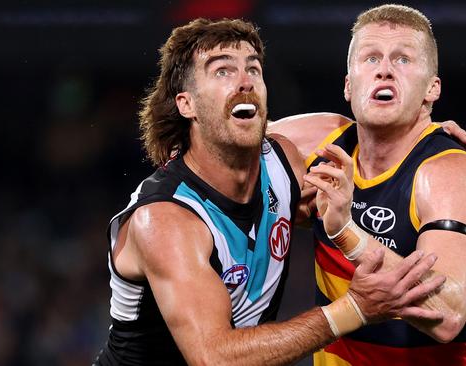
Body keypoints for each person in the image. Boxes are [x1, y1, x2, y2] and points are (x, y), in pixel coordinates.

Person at [93, 18, 447, 366]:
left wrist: (423, 132)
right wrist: (354, 308)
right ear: (187, 105)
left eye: (253, 69)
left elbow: (369, 135)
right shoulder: (164, 218)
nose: (244, 81)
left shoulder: (283, 161)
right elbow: (214, 357)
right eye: (222, 71)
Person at [269, 4, 466, 365]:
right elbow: (207, 143)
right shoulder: (319, 141)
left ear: (432, 89)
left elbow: (447, 315)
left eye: (403, 60)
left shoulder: (448, 173)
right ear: (349, 85)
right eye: (371, 58)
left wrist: (345, 232)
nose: (384, 71)